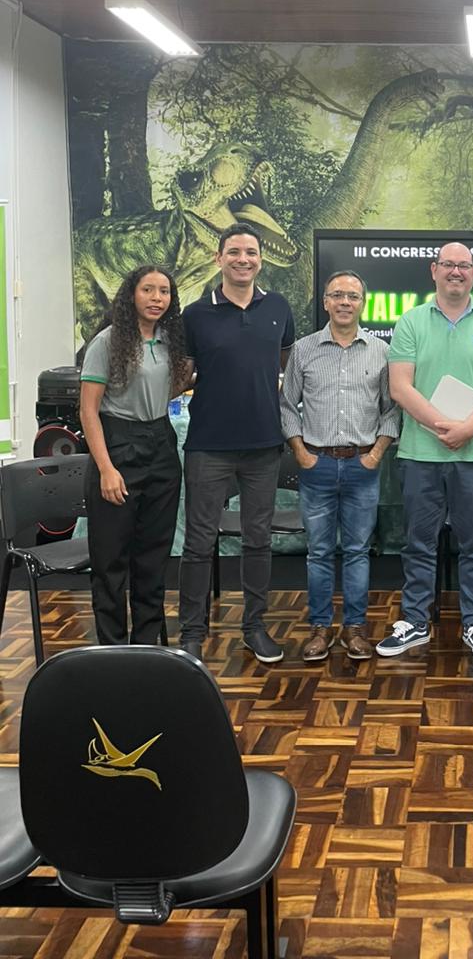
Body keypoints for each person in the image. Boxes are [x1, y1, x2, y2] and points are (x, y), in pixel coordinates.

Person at [376, 243, 473, 662]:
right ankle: (416, 621)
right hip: (421, 455)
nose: (456, 272)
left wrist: (467, 429)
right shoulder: (411, 321)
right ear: (433, 270)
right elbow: (400, 387)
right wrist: (444, 427)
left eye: (464, 266)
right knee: (419, 544)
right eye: (448, 265)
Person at [178, 223, 295, 665]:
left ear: (260, 259)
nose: (243, 259)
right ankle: (192, 633)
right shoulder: (195, 314)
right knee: (198, 543)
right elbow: (182, 373)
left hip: (264, 445)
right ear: (219, 258)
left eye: (250, 252)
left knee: (257, 541)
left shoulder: (278, 307)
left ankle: (254, 627)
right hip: (208, 445)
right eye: (234, 252)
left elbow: (283, 361)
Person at [280, 271, 399, 661]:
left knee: (357, 551)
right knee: (318, 552)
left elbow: (391, 409)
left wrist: (376, 454)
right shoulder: (304, 350)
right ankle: (319, 628)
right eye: (337, 295)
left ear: (363, 303)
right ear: (326, 302)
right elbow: (287, 405)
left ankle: (354, 628)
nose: (345, 302)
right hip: (316, 465)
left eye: (352, 296)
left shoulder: (381, 352)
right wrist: (300, 452)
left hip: (363, 466)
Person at [79, 264, 190, 645]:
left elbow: (168, 389)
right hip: (118, 445)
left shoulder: (169, 341)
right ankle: (112, 649)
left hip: (161, 444)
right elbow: (88, 411)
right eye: (148, 290)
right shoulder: (107, 342)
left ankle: (146, 646)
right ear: (131, 294)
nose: (157, 298)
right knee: (111, 561)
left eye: (164, 291)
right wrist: (106, 469)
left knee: (153, 556)